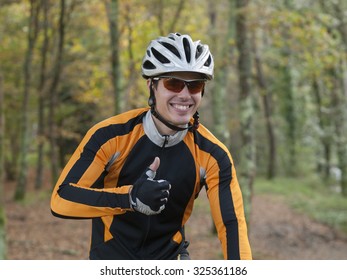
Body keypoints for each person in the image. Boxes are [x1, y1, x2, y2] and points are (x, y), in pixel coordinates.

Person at [50, 32, 252, 260]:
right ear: (152, 86)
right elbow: (62, 199)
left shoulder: (213, 154)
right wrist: (130, 199)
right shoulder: (110, 135)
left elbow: (231, 225)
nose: (185, 95)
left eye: (195, 85)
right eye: (173, 83)